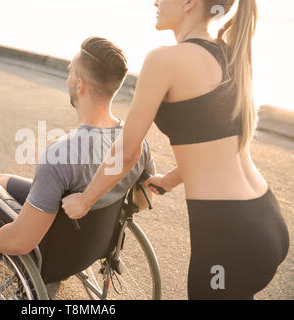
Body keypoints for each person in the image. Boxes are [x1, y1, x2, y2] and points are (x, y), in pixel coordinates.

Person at [61, 0, 289, 300]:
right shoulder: (228, 52)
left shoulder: (164, 60)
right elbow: (217, 140)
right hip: (266, 219)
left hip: (228, 237)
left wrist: (85, 200)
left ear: (189, 3)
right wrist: (168, 180)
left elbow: (127, 153)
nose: (155, 2)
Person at [0, 37, 156, 272]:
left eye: (70, 72)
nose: (67, 78)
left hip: (47, 255)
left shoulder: (60, 154)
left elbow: (23, 240)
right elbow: (142, 202)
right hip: (90, 247)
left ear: (80, 85)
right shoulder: (135, 142)